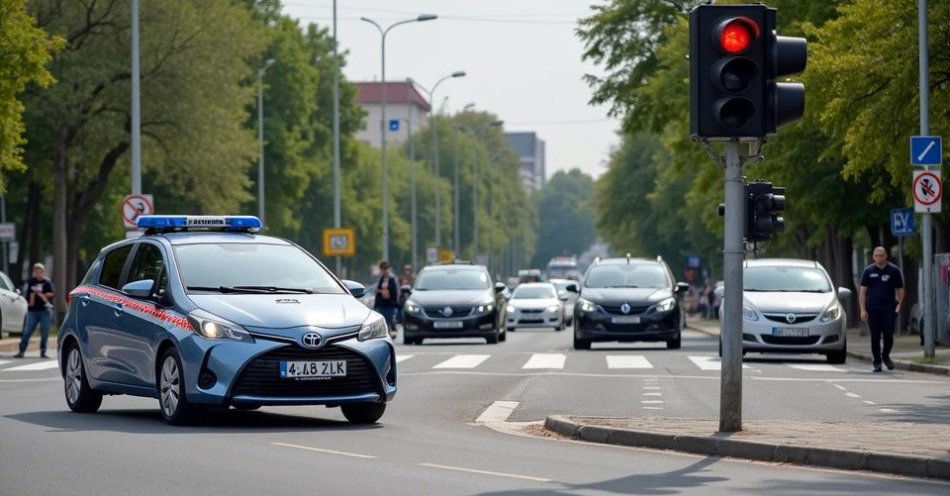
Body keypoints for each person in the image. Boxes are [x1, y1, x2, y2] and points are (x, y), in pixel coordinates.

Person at [859, 246, 904, 373]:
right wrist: (863, 309)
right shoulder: (868, 271)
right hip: (873, 308)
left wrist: (900, 303)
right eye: (876, 255)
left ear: (886, 256)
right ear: (873, 257)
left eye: (881, 255)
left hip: (889, 307)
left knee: (889, 334)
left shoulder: (894, 270)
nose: (879, 258)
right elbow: (862, 292)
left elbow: (900, 289)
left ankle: (886, 356)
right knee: (875, 335)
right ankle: (877, 362)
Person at [15, 263, 55, 359]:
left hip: (45, 310)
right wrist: (32, 296)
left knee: (45, 331)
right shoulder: (30, 282)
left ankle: (43, 351)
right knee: (27, 331)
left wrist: (44, 295)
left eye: (39, 272)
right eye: (36, 272)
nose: (38, 274)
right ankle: (21, 351)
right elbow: (27, 296)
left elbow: (52, 294)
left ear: (43, 272)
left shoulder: (47, 282)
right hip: (32, 311)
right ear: (34, 272)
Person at [373, 260, 399, 338]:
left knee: (391, 319)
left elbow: (394, 290)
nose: (382, 271)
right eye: (382, 269)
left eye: (383, 269)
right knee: (385, 320)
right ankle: (388, 334)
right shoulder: (382, 278)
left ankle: (393, 331)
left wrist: (384, 291)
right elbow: (378, 289)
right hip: (382, 304)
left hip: (390, 303)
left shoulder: (391, 278)